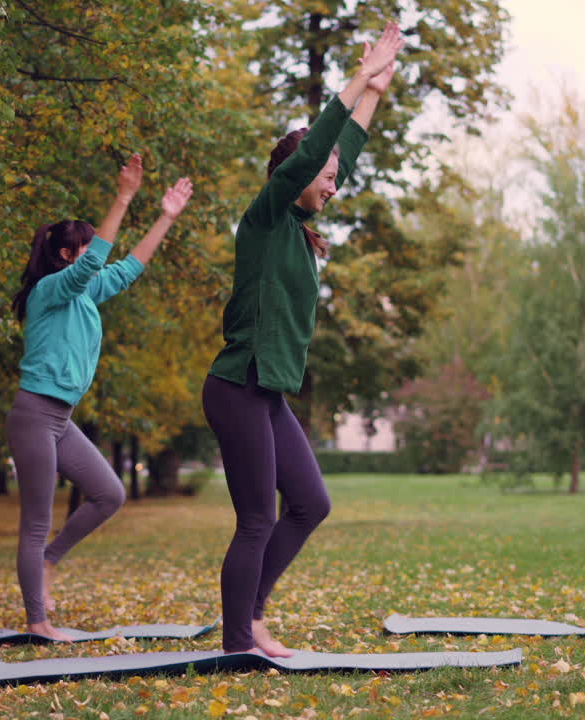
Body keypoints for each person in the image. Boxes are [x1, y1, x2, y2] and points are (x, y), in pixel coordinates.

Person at [202, 22, 405, 656]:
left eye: (336, 176)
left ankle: (252, 616)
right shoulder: (264, 217)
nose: (334, 183)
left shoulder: (296, 230)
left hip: (266, 394)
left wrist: (375, 88)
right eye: (325, 175)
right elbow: (322, 140)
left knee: (310, 503)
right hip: (237, 386)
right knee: (258, 517)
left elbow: (344, 144)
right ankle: (240, 641)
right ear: (297, 173)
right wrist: (354, 80)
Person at [6, 155, 193, 640]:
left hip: (60, 420)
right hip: (33, 415)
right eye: (87, 249)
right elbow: (98, 261)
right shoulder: (51, 290)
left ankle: (51, 560)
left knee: (110, 494)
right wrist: (123, 196)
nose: (97, 257)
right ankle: (37, 622)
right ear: (68, 256)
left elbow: (129, 268)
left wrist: (166, 216)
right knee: (36, 521)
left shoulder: (86, 295)